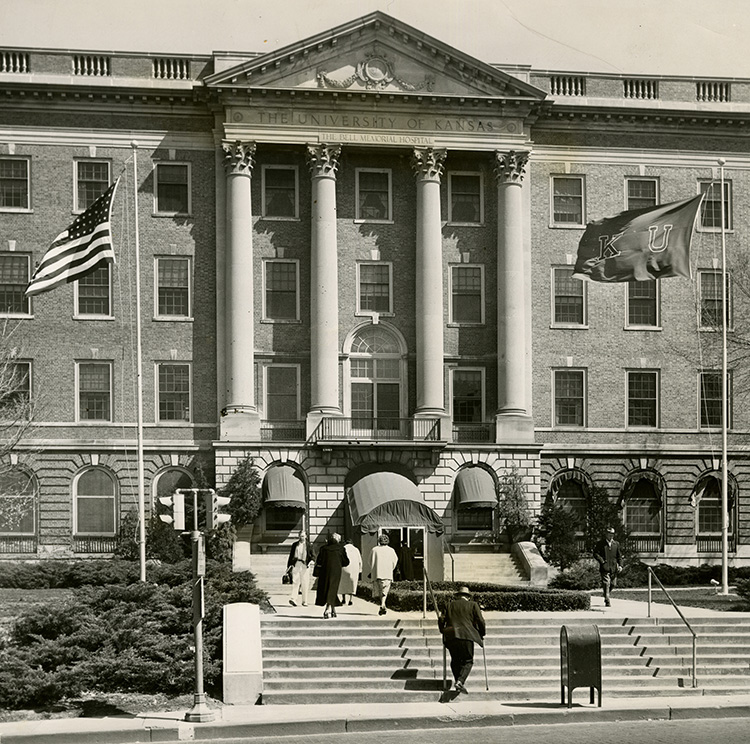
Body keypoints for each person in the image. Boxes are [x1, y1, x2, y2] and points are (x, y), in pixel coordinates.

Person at [438, 586, 486, 695]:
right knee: (468, 660)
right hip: (466, 636)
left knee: (455, 660)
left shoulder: (449, 605)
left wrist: (442, 630)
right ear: (468, 597)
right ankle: (460, 681)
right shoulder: (473, 605)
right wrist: (482, 633)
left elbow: (441, 619)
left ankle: (458, 682)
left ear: (458, 596)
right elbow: (480, 621)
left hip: (451, 636)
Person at [314, 532, 349, 618]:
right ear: (338, 540)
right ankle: (328, 609)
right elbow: (346, 562)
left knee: (327, 588)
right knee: (333, 588)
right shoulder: (341, 549)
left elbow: (319, 561)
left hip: (324, 571)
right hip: (336, 572)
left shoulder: (323, 548)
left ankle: (333, 610)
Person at [369, 533, 399, 615]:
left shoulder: (374, 549)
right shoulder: (391, 550)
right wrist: (391, 568)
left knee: (380, 590)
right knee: (385, 591)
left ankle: (382, 605)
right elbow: (395, 561)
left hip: (378, 573)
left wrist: (374, 568)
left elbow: (370, 561)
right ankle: (383, 604)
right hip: (387, 573)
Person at [593, 526, 623, 607]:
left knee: (613, 584)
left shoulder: (616, 544)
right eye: (609, 534)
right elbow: (595, 553)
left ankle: (606, 593)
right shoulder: (601, 544)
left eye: (612, 534)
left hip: (613, 567)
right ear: (606, 534)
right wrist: (602, 561)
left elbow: (619, 556)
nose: (611, 536)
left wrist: (620, 565)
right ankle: (607, 600)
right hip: (605, 566)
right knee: (606, 583)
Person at [286, 530, 315, 607]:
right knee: (295, 581)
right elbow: (291, 555)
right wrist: (289, 565)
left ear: (306, 536)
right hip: (297, 564)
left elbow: (313, 555)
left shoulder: (309, 545)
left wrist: (311, 561)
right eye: (300, 536)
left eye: (302, 536)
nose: (301, 537)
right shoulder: (295, 545)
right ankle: (293, 599)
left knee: (305, 582)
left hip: (305, 565)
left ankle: (304, 601)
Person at [338, 538, 362, 605]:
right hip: (354, 568)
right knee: (352, 584)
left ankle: (343, 599)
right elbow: (360, 560)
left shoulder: (342, 549)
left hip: (344, 568)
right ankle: (351, 599)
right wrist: (360, 569)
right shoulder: (356, 549)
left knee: (343, 583)